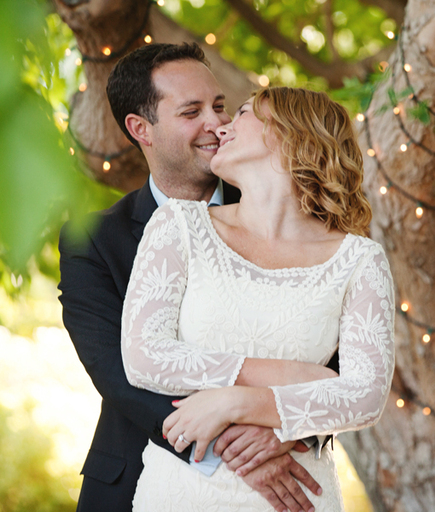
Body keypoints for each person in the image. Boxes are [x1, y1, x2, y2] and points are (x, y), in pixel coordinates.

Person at [59, 43, 327, 512]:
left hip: (288, 478)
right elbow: (120, 375)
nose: (217, 124)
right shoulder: (94, 241)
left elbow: (339, 355)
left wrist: (289, 425)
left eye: (220, 106)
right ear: (141, 129)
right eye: (191, 111)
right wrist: (236, 451)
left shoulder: (292, 216)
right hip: (135, 478)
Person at [120, 87, 395, 511]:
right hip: (180, 494)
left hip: (298, 496)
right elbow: (144, 356)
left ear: (291, 134)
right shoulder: (179, 225)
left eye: (244, 113)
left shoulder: (359, 259)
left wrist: (240, 402)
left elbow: (366, 395)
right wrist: (289, 375)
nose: (223, 126)